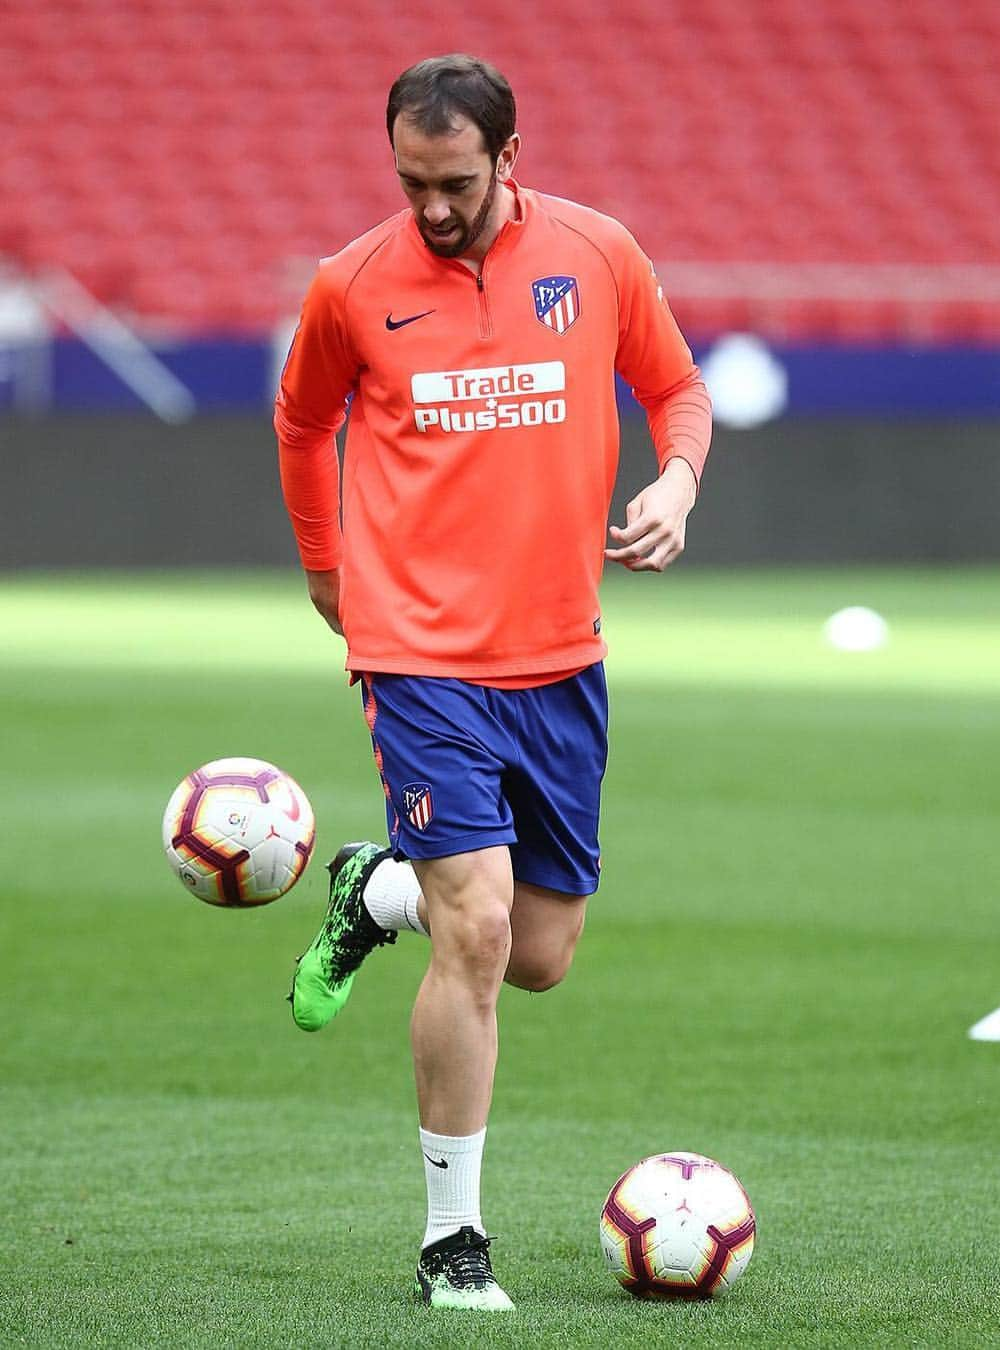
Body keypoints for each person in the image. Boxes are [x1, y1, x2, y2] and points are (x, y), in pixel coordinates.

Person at [274, 53, 711, 1311]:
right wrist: (326, 573)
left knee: (539, 951)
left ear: (510, 159)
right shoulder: (350, 285)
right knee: (477, 930)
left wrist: (676, 480)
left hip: (560, 653)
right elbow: (305, 425)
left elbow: (677, 390)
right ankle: (451, 1244)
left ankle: (377, 887)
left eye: (456, 182)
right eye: (412, 182)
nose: (434, 209)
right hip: (416, 654)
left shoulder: (598, 253)